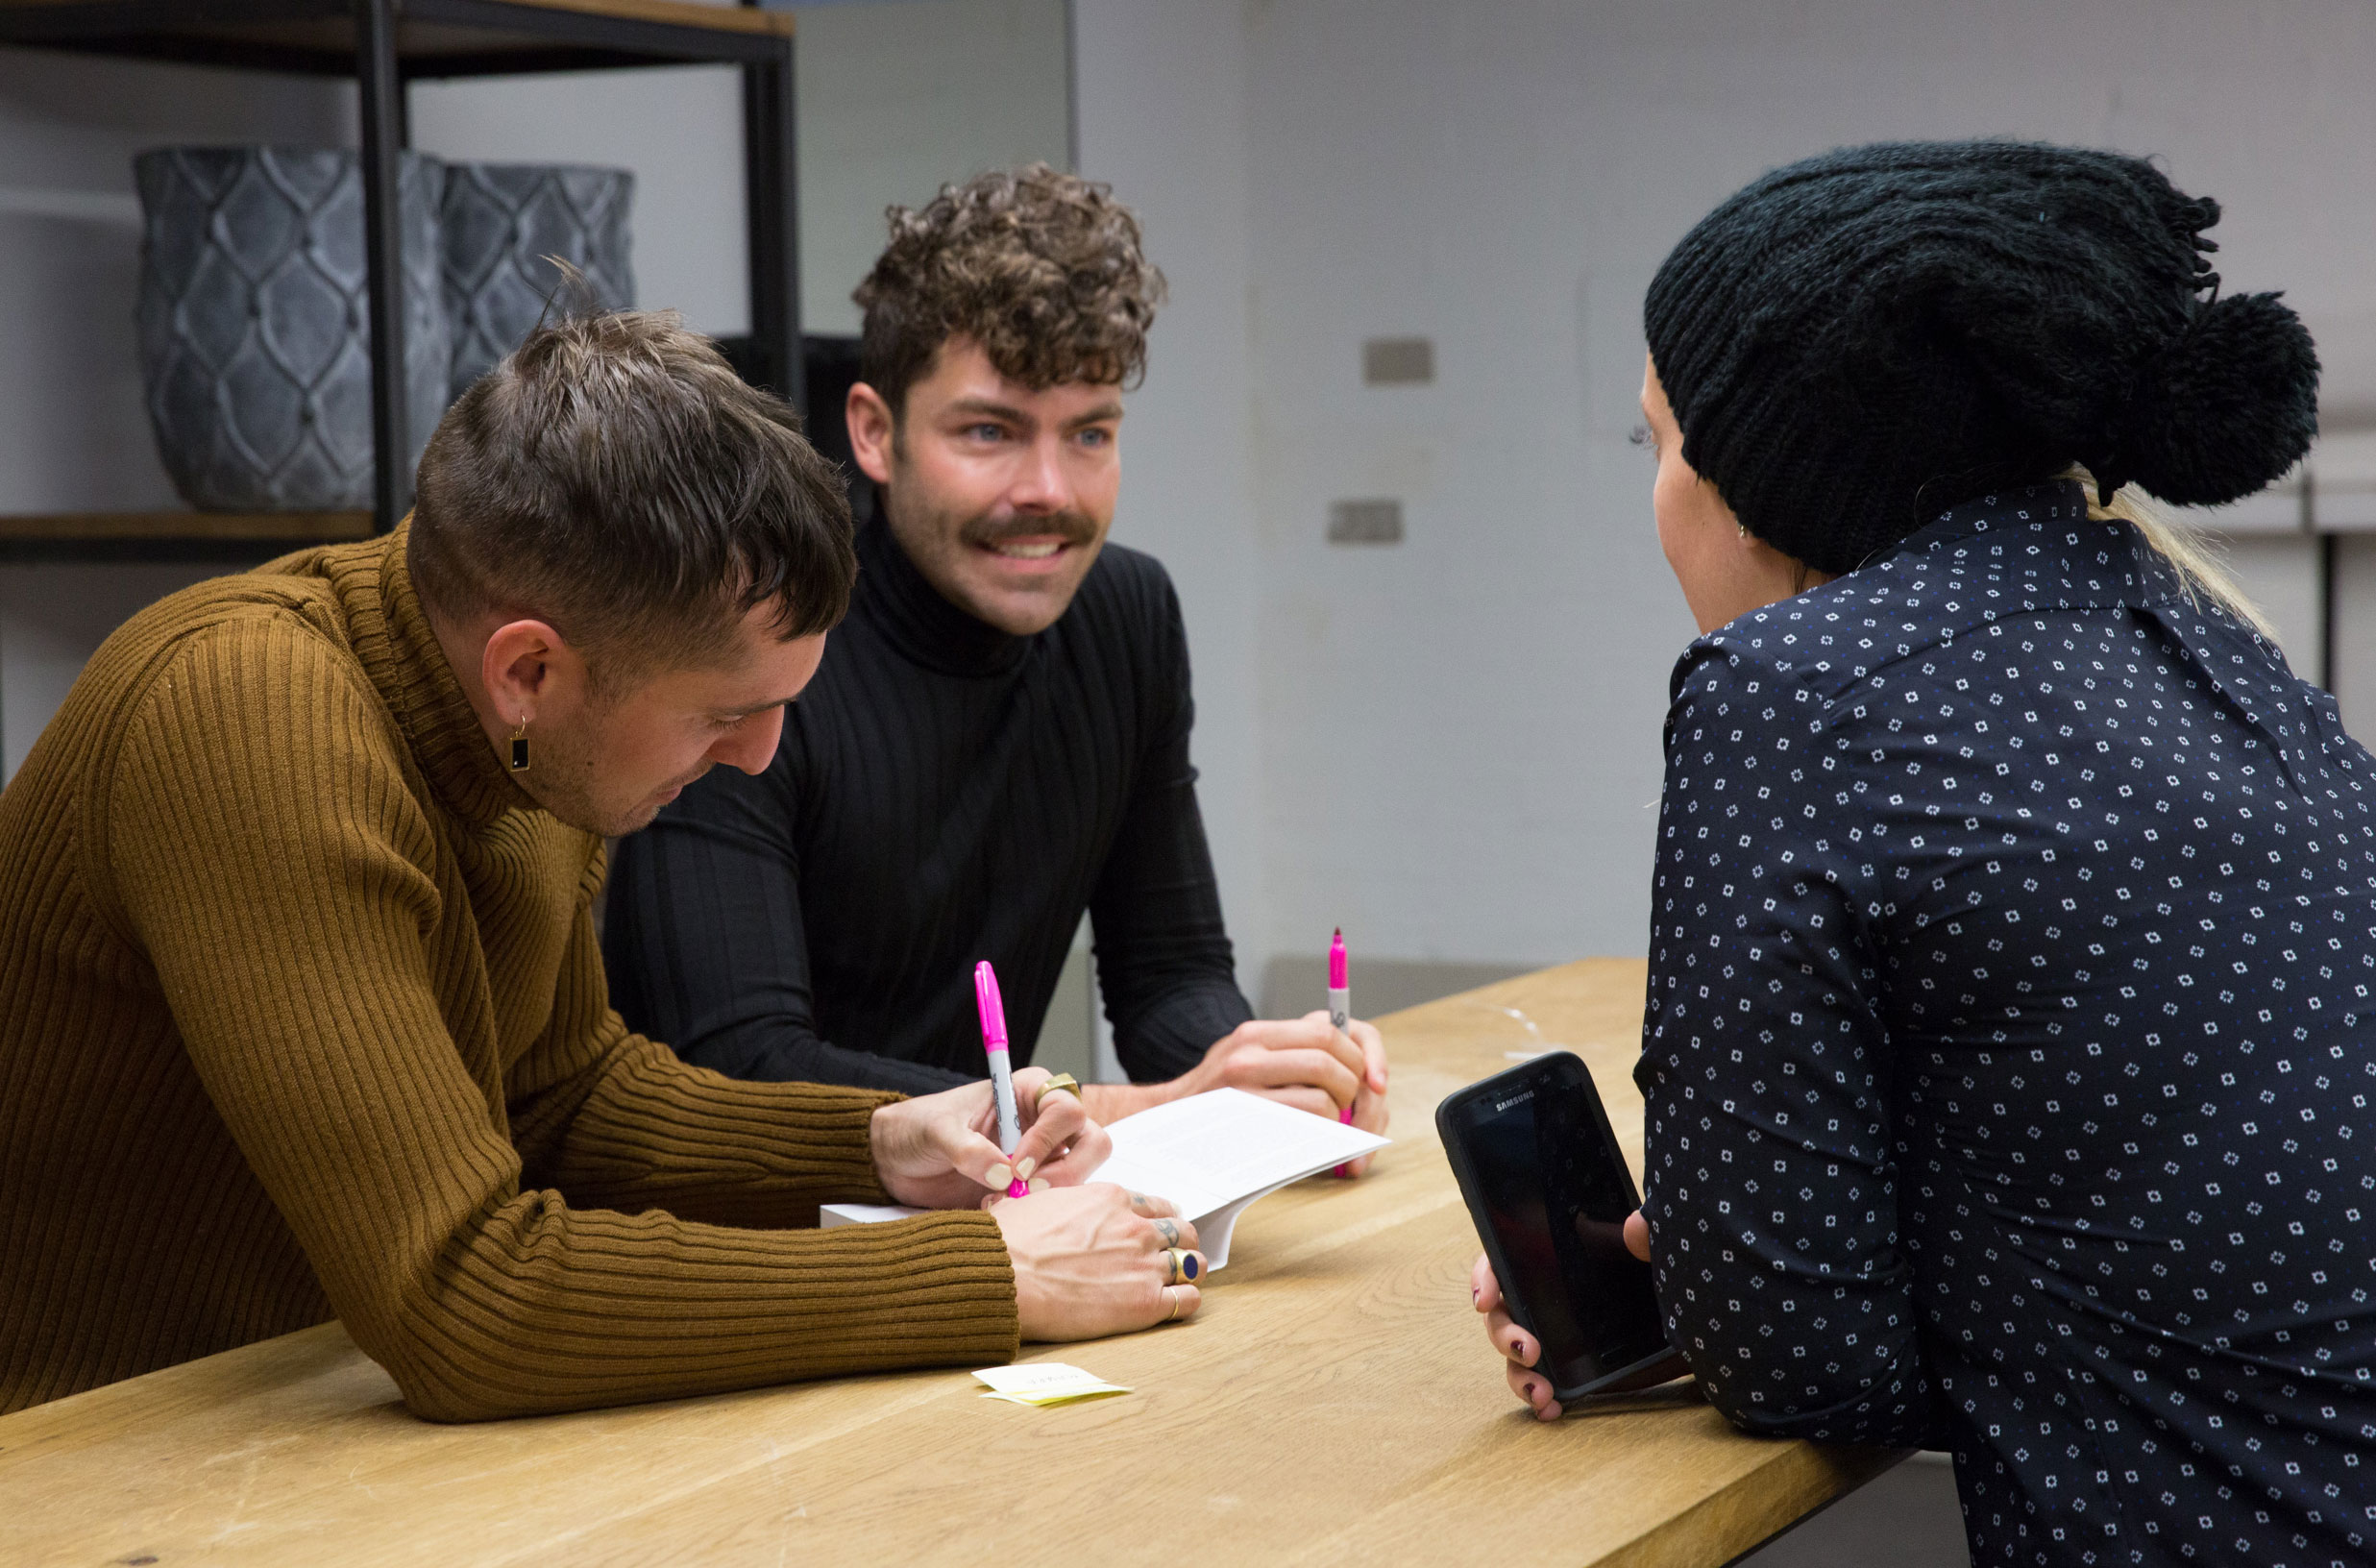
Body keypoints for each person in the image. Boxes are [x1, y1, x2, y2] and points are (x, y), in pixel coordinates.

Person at [0, 308, 1209, 1423]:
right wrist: (979, 1274)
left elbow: (566, 1097)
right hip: (83, 1455)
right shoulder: (244, 719)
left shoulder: (531, 735)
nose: (758, 758)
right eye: (723, 713)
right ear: (528, 668)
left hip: (285, 1413)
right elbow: (466, 1298)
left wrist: (876, 1142)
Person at [1474, 141, 2376, 1564]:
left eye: (1657, 443)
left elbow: (1798, 1365)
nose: (1653, 494)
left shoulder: (1787, 691)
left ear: (1777, 474)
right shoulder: (2218, 652)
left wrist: (1710, 1287)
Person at [601, 165, 1388, 1151]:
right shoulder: (751, 646)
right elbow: (738, 1063)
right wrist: (1131, 1106)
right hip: (762, 1243)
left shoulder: (1125, 615)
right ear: (874, 434)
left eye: (1089, 433)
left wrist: (1264, 1076)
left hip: (999, 1199)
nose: (1047, 489)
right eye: (990, 432)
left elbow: (1170, 974)